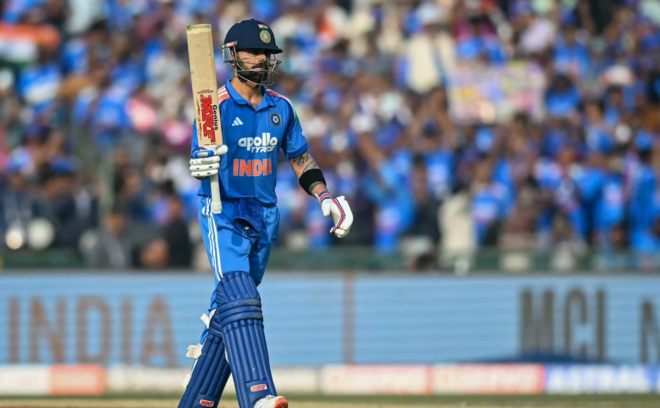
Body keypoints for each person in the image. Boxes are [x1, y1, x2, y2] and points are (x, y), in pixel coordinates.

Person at [178, 19, 354, 408]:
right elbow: (199, 155)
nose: (261, 59)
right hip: (224, 211)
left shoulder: (282, 107)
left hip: (265, 215)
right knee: (241, 297)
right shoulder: (214, 106)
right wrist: (201, 163)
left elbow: (300, 158)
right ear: (233, 55)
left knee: (230, 312)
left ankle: (195, 399)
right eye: (253, 52)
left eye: (266, 53)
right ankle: (258, 394)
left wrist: (324, 196)